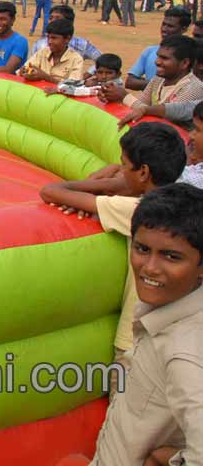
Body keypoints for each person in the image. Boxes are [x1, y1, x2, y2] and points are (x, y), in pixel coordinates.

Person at [38, 123, 189, 404]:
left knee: (124, 419)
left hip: (136, 338)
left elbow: (52, 191)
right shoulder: (184, 202)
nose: (120, 170)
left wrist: (108, 186)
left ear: (143, 172)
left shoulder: (135, 209)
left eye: (124, 165)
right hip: (178, 338)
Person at [59, 183, 203, 466]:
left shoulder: (182, 353)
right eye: (142, 248)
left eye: (171, 256)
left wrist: (170, 460)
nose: (149, 267)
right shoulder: (167, 314)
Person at [111, 35, 203, 129]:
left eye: (164, 58)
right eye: (158, 56)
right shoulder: (159, 79)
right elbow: (140, 106)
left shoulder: (194, 88)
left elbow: (162, 123)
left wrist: (125, 97)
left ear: (184, 63)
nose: (157, 62)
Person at [125, 7, 192, 90]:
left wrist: (145, 83)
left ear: (184, 29)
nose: (164, 29)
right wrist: (159, 84)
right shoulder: (150, 51)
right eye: (164, 24)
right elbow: (130, 82)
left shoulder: (191, 53)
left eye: (170, 26)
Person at [20, 18, 86, 83]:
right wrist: (24, 71)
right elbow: (26, 68)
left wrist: (45, 77)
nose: (49, 41)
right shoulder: (42, 52)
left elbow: (72, 87)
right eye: (48, 37)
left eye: (54, 38)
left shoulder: (76, 60)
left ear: (67, 39)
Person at [30, 5, 103, 63]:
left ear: (69, 22)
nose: (52, 21)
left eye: (57, 18)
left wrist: (89, 74)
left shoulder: (81, 44)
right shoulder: (40, 44)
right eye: (51, 18)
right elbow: (31, 65)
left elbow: (102, 60)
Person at [46, 53, 123, 97]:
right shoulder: (95, 82)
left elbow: (86, 91)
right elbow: (71, 82)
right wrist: (85, 83)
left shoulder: (115, 86)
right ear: (95, 73)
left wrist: (61, 90)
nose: (103, 76)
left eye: (109, 73)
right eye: (100, 72)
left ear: (118, 74)